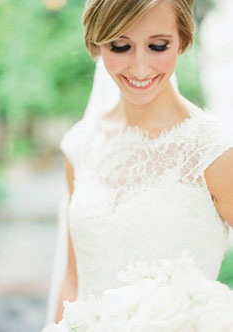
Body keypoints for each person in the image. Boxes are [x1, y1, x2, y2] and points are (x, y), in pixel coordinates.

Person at [55, 0, 233, 321]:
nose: (139, 67)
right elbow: (72, 280)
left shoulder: (215, 151)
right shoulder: (79, 145)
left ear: (182, 40)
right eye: (120, 46)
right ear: (98, 42)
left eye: (157, 46)